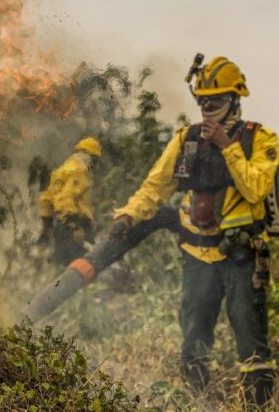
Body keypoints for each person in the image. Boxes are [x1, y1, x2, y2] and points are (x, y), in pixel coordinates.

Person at [113, 56, 278, 407]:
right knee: (193, 343)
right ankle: (199, 403)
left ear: (234, 99)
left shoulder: (259, 139)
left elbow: (255, 189)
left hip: (242, 258)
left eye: (214, 101)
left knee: (252, 346)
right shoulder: (186, 140)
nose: (206, 108)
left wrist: (227, 146)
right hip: (196, 256)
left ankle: (259, 405)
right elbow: (155, 187)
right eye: (202, 101)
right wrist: (128, 215)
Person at [38, 137, 101, 265]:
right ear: (87, 154)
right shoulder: (78, 170)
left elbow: (46, 199)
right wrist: (75, 226)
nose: (94, 164)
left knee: (64, 267)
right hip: (76, 227)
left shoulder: (61, 171)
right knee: (85, 267)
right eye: (94, 159)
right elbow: (66, 199)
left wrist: (47, 225)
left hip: (61, 227)